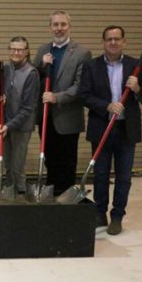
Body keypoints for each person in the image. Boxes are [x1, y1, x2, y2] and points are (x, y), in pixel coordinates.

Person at [79, 26, 142, 235]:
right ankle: (99, 212)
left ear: (124, 42)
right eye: (109, 39)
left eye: (117, 39)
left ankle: (117, 216)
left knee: (123, 176)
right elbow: (84, 95)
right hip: (102, 127)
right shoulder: (91, 66)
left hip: (126, 129)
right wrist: (107, 106)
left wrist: (138, 88)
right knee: (101, 174)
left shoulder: (135, 66)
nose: (113, 42)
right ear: (103, 42)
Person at [34, 11, 92, 195]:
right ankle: (51, 195)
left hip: (67, 116)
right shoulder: (43, 50)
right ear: (50, 27)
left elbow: (80, 86)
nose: (59, 28)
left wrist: (57, 97)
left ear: (69, 27)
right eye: (55, 25)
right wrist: (41, 65)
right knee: (50, 158)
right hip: (45, 116)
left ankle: (66, 197)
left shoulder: (82, 53)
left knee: (66, 160)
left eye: (63, 24)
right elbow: (33, 78)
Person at [0, 36, 39, 194]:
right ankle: (9, 195)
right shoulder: (6, 68)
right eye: (13, 49)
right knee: (7, 164)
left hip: (21, 126)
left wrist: (9, 125)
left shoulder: (31, 73)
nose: (16, 52)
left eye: (20, 49)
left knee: (17, 166)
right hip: (5, 123)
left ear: (26, 51)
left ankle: (20, 198)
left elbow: (28, 108)